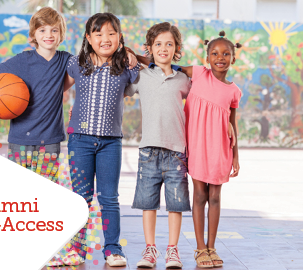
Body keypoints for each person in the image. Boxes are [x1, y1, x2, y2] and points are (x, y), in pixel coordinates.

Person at [64, 12, 140, 267]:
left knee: (109, 198)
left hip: (110, 143)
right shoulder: (77, 62)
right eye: (98, 34)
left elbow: (154, 64)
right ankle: (76, 248)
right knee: (81, 197)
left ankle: (112, 248)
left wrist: (131, 52)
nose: (105, 39)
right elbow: (57, 86)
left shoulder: (126, 67)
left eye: (111, 33)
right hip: (80, 141)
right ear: (88, 37)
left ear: (119, 36)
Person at [124, 22, 191, 269]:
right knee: (147, 202)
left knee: (176, 204)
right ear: (150, 48)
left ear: (177, 48)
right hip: (149, 150)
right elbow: (121, 91)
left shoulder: (183, 79)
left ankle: (172, 250)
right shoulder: (142, 76)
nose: (164, 48)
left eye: (169, 44)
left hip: (176, 152)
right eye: (158, 44)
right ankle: (150, 249)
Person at [0, 6, 70, 170]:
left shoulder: (66, 60)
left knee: (46, 190)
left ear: (61, 34)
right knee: (19, 190)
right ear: (33, 35)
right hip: (20, 138)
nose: (48, 35)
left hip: (50, 140)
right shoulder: (22, 60)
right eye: (42, 30)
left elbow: (83, 72)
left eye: (54, 30)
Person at [180, 30, 242, 268]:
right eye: (215, 53)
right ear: (207, 57)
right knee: (199, 195)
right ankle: (199, 248)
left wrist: (236, 155)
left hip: (220, 149)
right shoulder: (198, 73)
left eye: (226, 54)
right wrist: (140, 59)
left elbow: (233, 123)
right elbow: (169, 65)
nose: (220, 57)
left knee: (215, 196)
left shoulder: (234, 91)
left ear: (233, 59)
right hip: (197, 145)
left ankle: (211, 246)